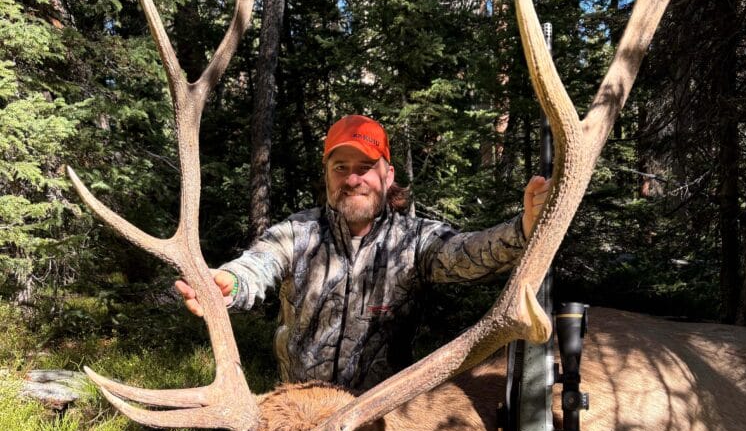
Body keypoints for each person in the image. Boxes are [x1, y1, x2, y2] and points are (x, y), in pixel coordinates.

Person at [176, 115, 550, 392]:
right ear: (327, 176)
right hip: (300, 415)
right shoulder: (298, 233)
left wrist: (523, 229)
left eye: (366, 167)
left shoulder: (414, 241)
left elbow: (467, 252)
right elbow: (258, 265)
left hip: (381, 420)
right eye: (341, 168)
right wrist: (230, 282)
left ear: (388, 176)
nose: (353, 179)